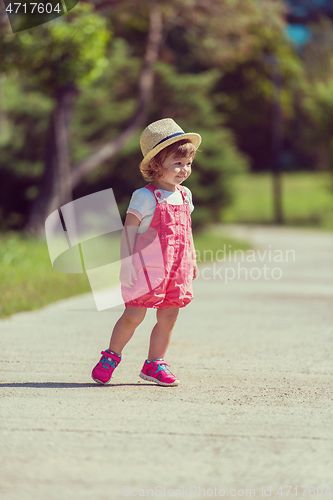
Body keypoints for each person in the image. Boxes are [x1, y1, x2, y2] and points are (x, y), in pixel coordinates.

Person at [91, 118, 201, 387]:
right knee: (134, 314)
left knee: (170, 314)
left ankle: (155, 363)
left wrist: (192, 260)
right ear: (156, 165)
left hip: (177, 267)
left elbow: (186, 231)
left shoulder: (185, 195)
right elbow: (129, 231)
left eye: (187, 163)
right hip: (146, 267)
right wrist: (126, 263)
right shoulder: (145, 196)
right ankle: (111, 356)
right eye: (177, 163)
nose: (184, 169)